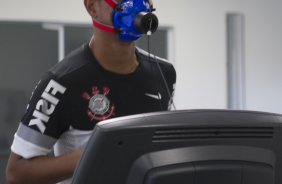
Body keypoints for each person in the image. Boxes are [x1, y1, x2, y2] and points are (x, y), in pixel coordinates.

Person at [6, 0, 176, 183]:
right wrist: (97, 153)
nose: (137, 3)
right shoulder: (61, 83)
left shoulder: (163, 73)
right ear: (92, 6)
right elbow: (17, 172)